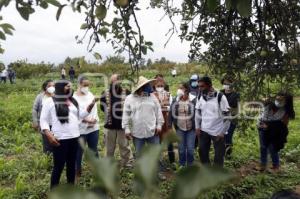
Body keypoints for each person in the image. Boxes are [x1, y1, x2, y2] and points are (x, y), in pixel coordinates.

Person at [40, 80, 96, 189]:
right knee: (58, 167)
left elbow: (80, 115)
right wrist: (48, 133)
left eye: (70, 86)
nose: (70, 88)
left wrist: (89, 107)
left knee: (71, 166)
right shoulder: (50, 101)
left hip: (74, 137)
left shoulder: (72, 100)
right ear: (60, 87)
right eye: (67, 86)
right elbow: (43, 120)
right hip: (60, 139)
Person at [122, 76, 164, 178]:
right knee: (139, 154)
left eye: (148, 85)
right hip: (137, 132)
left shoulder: (152, 97)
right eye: (145, 85)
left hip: (152, 131)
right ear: (140, 87)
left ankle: (157, 172)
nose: (148, 87)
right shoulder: (129, 99)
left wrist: (159, 125)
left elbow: (158, 111)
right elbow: (126, 115)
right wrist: (127, 129)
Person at [195, 76, 231, 168]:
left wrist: (222, 132)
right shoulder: (200, 96)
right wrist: (197, 126)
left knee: (219, 155)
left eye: (202, 86)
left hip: (217, 132)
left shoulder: (220, 97)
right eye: (198, 86)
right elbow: (198, 112)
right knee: (202, 151)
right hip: (204, 130)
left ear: (209, 85)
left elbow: (228, 117)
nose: (200, 88)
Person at [257, 92, 295, 172]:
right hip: (262, 127)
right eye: (278, 99)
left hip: (275, 131)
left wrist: (270, 126)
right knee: (263, 147)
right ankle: (263, 165)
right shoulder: (268, 104)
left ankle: (276, 166)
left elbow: (283, 125)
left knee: (272, 147)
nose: (279, 101)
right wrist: (261, 124)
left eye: (282, 100)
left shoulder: (285, 111)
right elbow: (261, 114)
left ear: (286, 101)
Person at [100, 74, 132, 168]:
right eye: (113, 81)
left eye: (117, 81)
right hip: (109, 125)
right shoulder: (105, 93)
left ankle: (127, 162)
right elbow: (102, 107)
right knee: (109, 147)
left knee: (124, 145)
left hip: (122, 125)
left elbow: (131, 105)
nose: (115, 83)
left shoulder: (126, 92)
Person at [73, 76, 100, 178]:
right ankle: (77, 172)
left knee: (94, 150)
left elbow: (94, 110)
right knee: (78, 152)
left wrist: (94, 120)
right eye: (85, 85)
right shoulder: (74, 98)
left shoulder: (90, 95)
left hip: (93, 128)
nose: (86, 87)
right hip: (80, 130)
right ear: (79, 84)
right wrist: (86, 121)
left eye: (88, 85)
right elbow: (74, 114)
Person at [169, 82, 196, 167]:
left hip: (191, 128)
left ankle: (190, 165)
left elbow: (198, 113)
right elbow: (171, 112)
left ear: (187, 90)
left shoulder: (193, 100)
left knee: (190, 149)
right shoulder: (176, 100)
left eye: (181, 88)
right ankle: (182, 164)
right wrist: (169, 124)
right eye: (179, 88)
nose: (179, 90)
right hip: (180, 127)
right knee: (181, 149)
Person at [153, 76, 175, 165]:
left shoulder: (168, 94)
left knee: (169, 141)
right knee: (157, 141)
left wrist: (166, 108)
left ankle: (172, 161)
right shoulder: (152, 95)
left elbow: (172, 107)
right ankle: (159, 161)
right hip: (156, 121)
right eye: (158, 85)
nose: (160, 87)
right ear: (154, 86)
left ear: (164, 85)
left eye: (161, 85)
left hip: (167, 120)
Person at [32, 80, 55, 154]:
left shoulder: (57, 96)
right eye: (49, 86)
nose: (52, 87)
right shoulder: (40, 97)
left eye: (53, 86)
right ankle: (47, 158)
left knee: (56, 141)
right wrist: (35, 121)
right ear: (45, 87)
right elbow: (35, 109)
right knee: (46, 142)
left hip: (55, 123)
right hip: (44, 124)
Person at [220, 76, 240, 158]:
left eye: (228, 83)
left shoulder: (236, 94)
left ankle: (228, 154)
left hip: (232, 119)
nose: (226, 85)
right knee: (221, 136)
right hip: (221, 119)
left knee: (228, 135)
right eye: (224, 83)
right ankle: (221, 152)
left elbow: (231, 106)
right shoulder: (220, 93)